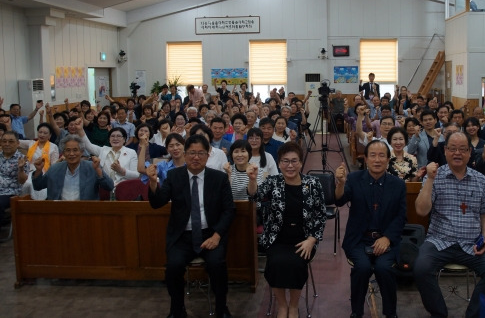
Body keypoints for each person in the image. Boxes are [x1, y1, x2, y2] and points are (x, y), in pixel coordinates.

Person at [414, 132, 485, 318]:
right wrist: (429, 179)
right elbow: (421, 211)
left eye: (463, 149)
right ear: (445, 151)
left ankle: (474, 314)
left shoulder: (480, 180)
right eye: (452, 149)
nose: (457, 153)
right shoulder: (434, 176)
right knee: (421, 268)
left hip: (471, 243)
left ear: (470, 152)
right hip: (439, 241)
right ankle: (439, 313)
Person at [148, 134, 235, 318]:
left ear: (208, 155)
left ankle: (222, 308)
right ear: (185, 154)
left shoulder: (218, 178)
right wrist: (154, 183)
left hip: (210, 234)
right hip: (182, 237)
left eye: (201, 153)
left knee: (218, 265)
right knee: (173, 267)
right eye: (192, 153)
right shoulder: (174, 176)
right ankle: (177, 309)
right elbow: (157, 203)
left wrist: (217, 235)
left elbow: (229, 210)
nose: (196, 157)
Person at [247, 141, 325, 318]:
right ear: (279, 162)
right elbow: (254, 195)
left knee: (297, 264)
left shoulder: (313, 184)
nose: (290, 165)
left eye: (294, 161)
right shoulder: (272, 182)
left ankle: (294, 306)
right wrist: (252, 181)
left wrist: (312, 240)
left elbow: (320, 216)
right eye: (285, 161)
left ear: (300, 162)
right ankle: (282, 305)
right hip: (277, 239)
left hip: (303, 239)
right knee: (275, 264)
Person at [335, 141, 407, 318]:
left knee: (384, 268)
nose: (377, 159)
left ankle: (391, 313)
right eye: (372, 155)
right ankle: (356, 312)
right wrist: (340, 183)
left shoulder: (398, 184)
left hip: (386, 240)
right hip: (359, 239)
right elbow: (339, 201)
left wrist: (387, 238)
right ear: (365, 159)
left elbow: (401, 217)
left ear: (388, 160)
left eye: (382, 155)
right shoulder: (354, 178)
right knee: (362, 267)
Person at [31, 134, 114, 200]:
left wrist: (98, 170)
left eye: (75, 150)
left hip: (85, 212)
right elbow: (38, 186)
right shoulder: (55, 168)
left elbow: (109, 186)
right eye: (68, 150)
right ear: (63, 153)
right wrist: (38, 170)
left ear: (81, 152)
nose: (71, 154)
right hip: (59, 213)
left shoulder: (92, 167)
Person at [19, 123, 59, 200]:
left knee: (33, 184)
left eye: (45, 133)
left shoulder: (53, 147)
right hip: (29, 171)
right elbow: (16, 142)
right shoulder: (31, 143)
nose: (42, 135)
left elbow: (54, 165)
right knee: (26, 184)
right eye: (40, 132)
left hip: (45, 172)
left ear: (50, 135)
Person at [0, 131, 29, 209]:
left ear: (18, 143)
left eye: (11, 141)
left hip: (10, 193)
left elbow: (22, 181)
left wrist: (21, 169)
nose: (7, 144)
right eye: (4, 141)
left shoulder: (22, 159)